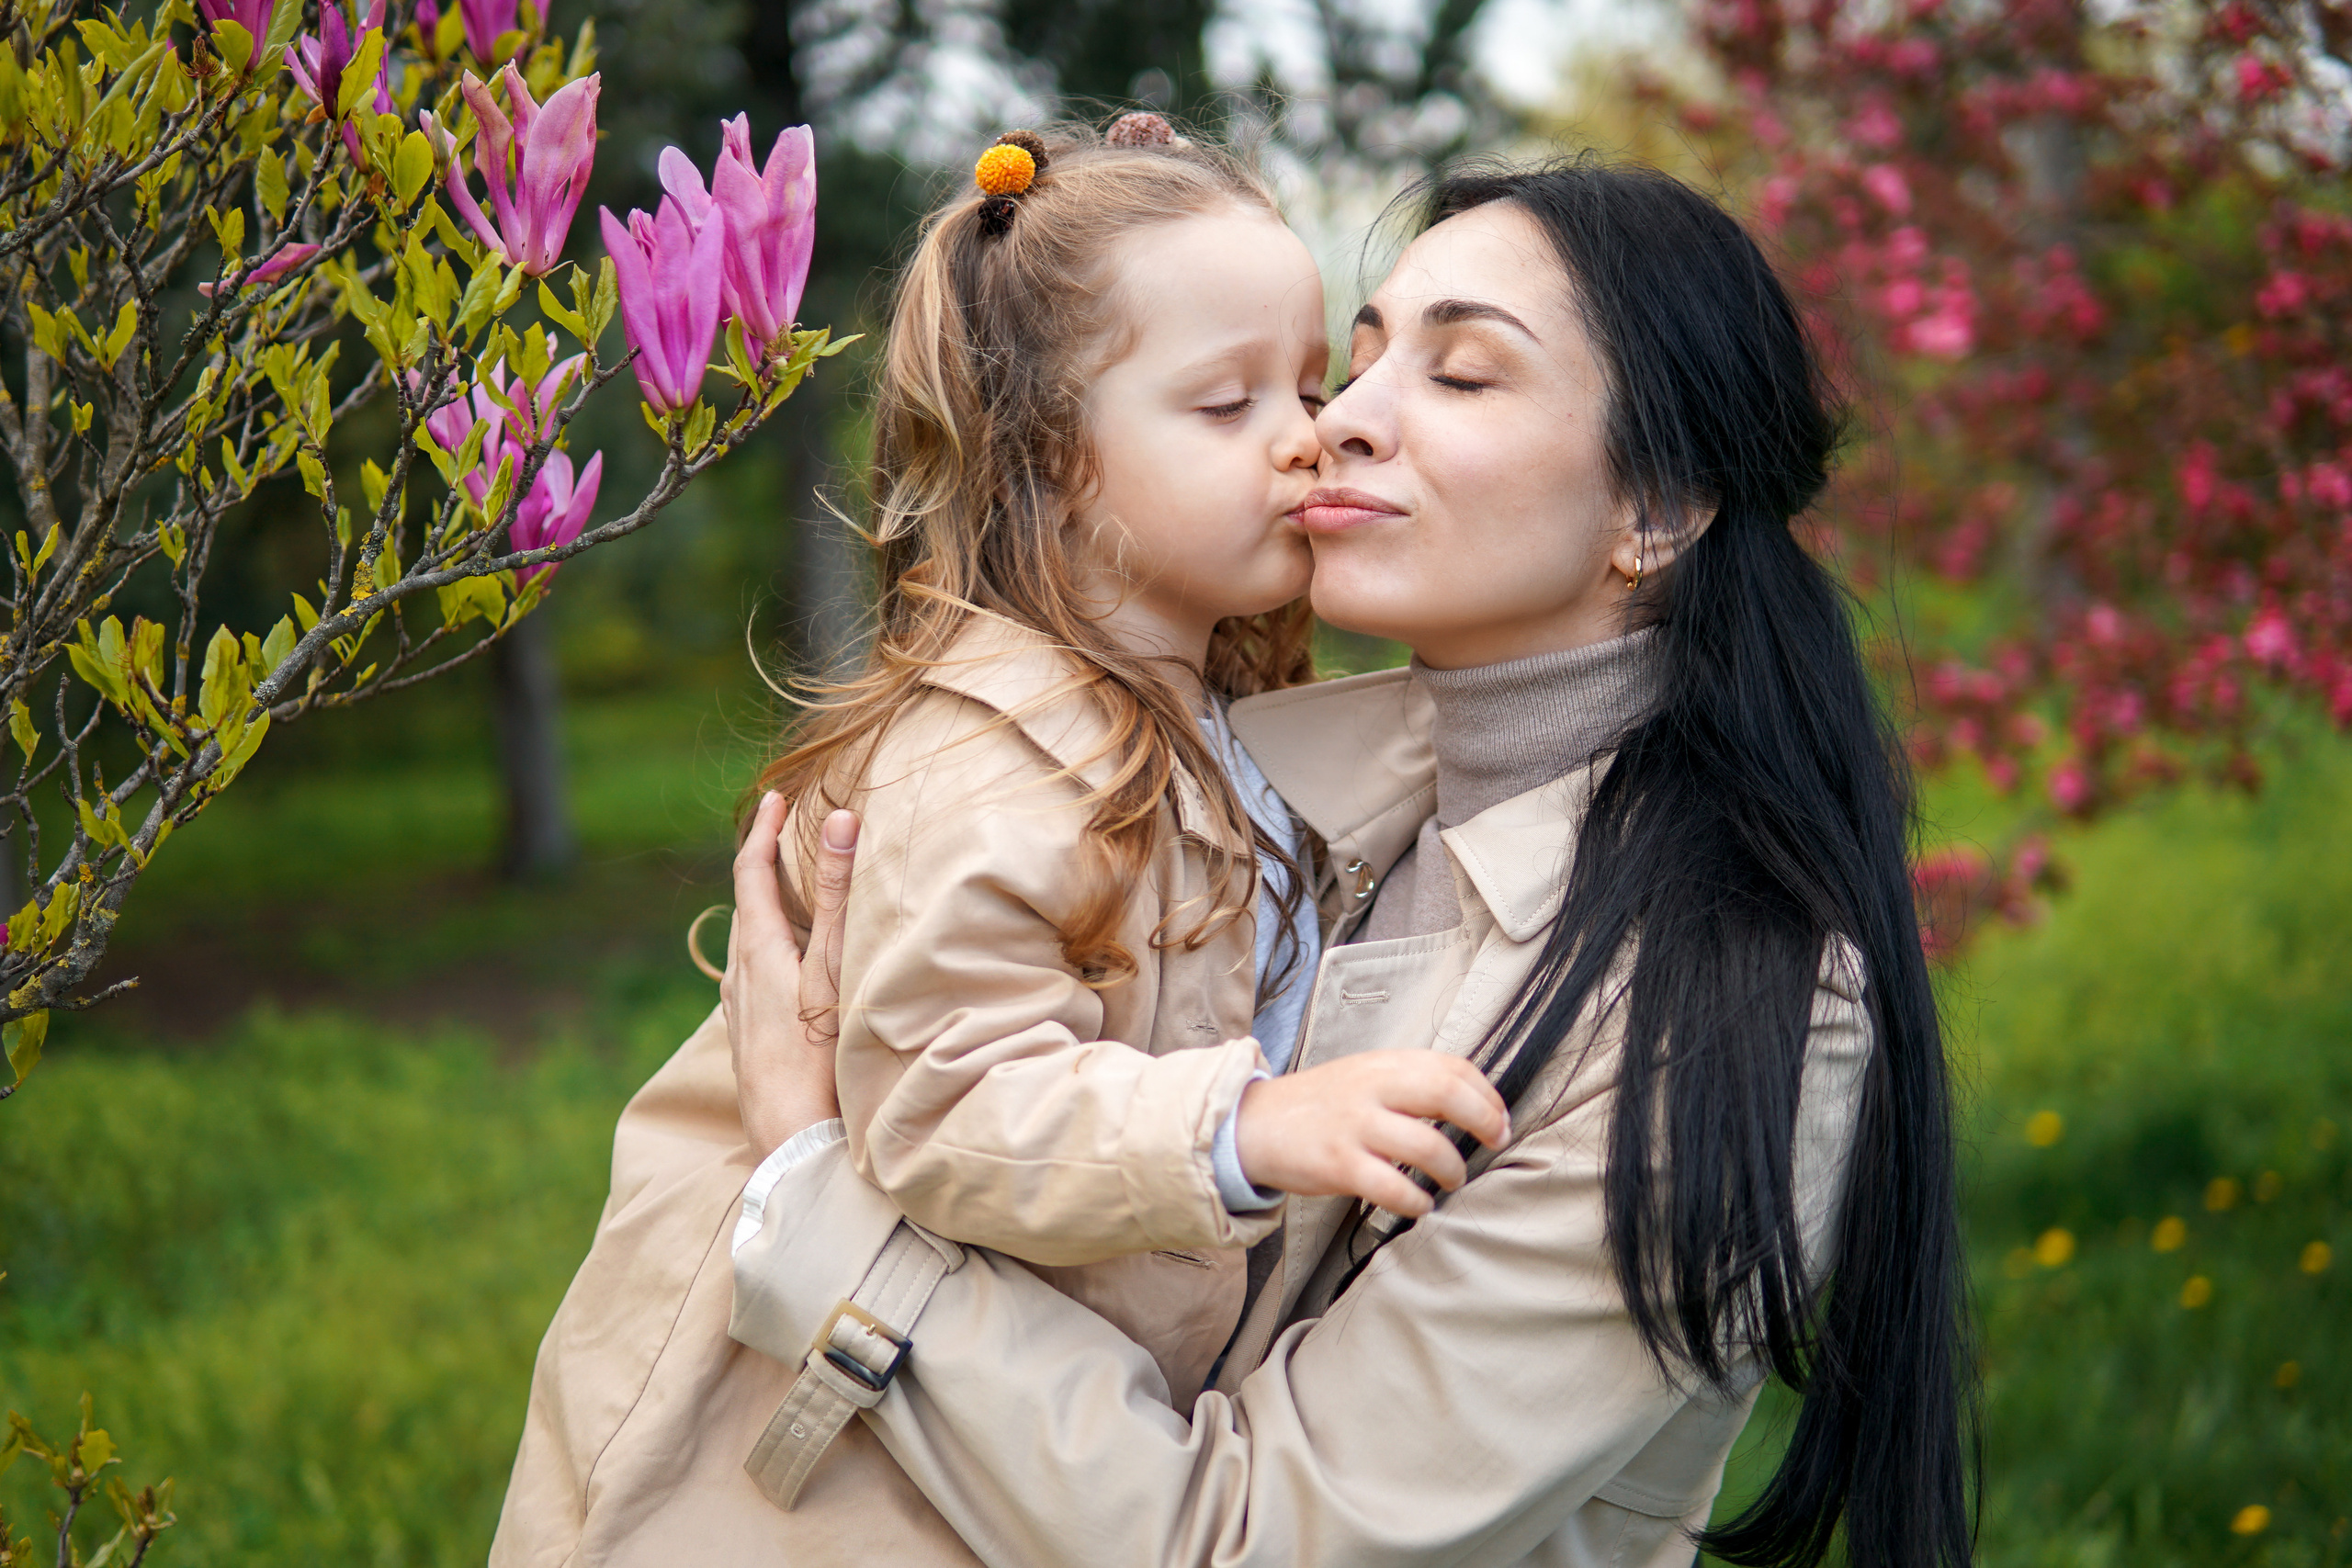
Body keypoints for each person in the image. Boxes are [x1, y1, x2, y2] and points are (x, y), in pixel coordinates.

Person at [726, 156, 1975, 1568]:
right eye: (1358, 365)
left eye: (1462, 377)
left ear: (1659, 509)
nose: (1338, 429)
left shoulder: (1718, 1001)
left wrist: (812, 1194)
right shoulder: (1232, 794)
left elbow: (1250, 1540)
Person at [489, 118, 1503, 1568]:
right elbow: (945, 1102)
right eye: (1227, 405)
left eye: (1307, 383)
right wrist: (1246, 1128)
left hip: (998, 1418)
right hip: (807, 1482)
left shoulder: (1202, 707)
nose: (1307, 433)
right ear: (1054, 463)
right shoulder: (994, 754)